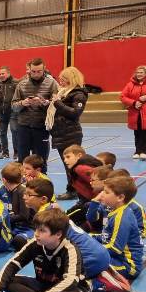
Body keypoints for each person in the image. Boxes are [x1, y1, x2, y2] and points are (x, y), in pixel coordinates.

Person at [0, 208, 87, 292]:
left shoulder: (70, 249)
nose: (36, 234)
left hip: (69, 291)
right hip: (43, 286)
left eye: (42, 231)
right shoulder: (35, 243)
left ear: (58, 234)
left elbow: (70, 281)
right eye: (36, 229)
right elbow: (12, 264)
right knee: (6, 281)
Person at [91, 175, 144, 281]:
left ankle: (99, 284)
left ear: (120, 198)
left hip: (127, 266)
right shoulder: (114, 211)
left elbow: (115, 249)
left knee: (87, 260)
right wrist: (89, 237)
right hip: (116, 258)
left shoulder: (122, 217)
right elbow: (106, 237)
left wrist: (92, 248)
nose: (102, 194)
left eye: (106, 192)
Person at [46, 67, 88, 199]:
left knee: (73, 165)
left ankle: (74, 191)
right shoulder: (64, 92)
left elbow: (75, 113)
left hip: (70, 134)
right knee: (68, 165)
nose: (61, 82)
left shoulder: (78, 94)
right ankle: (75, 190)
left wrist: (57, 102)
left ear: (71, 79)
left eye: (63, 79)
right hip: (61, 133)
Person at [12, 57, 58, 169]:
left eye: (39, 71)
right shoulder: (21, 84)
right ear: (29, 69)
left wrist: (45, 103)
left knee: (41, 162)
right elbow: (13, 106)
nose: (36, 74)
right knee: (22, 161)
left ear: (44, 69)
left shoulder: (52, 83)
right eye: (33, 71)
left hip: (41, 127)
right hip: (24, 127)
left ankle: (41, 179)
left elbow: (57, 105)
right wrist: (23, 103)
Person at [0, 67, 17, 159]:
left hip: (13, 112)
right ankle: (5, 152)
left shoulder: (15, 83)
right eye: (0, 74)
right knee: (2, 133)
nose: (1, 75)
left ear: (8, 73)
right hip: (1, 112)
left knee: (14, 131)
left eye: (3, 73)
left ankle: (16, 152)